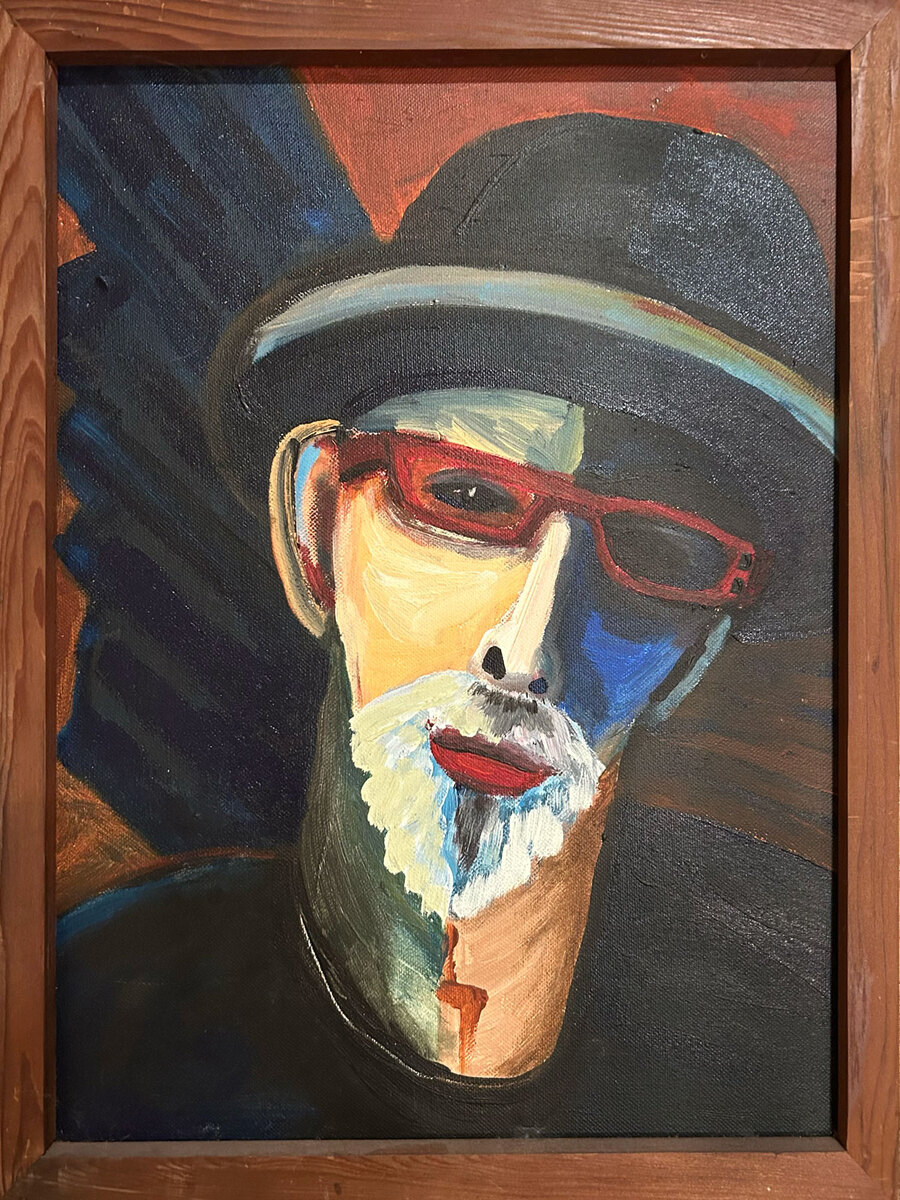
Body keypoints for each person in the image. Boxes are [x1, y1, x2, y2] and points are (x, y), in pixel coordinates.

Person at [57, 112, 835, 1139]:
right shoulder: (87, 1026)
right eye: (467, 497)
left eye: (657, 550)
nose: (527, 649)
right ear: (315, 523)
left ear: (702, 653)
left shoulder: (809, 1045)